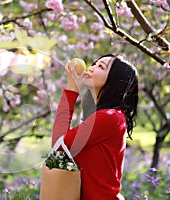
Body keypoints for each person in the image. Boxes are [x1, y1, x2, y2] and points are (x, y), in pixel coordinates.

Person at [51, 54, 139, 200]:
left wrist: (71, 89)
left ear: (114, 81)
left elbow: (59, 143)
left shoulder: (109, 117)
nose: (90, 68)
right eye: (95, 63)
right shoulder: (109, 116)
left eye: (101, 67)